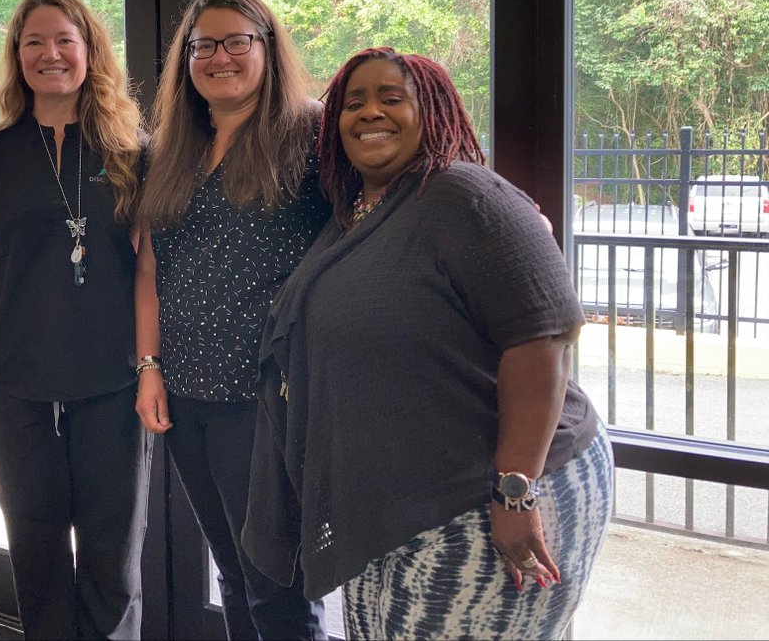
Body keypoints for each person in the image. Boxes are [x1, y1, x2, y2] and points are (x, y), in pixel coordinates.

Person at [243, 47, 614, 640]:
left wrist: (516, 490)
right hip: (394, 506)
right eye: (354, 102)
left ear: (433, 109)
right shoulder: (355, 214)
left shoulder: (465, 195)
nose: (371, 113)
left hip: (488, 495)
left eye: (393, 97)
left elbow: (541, 338)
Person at [0, 0, 152, 640]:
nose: (50, 54)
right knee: (33, 545)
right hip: (14, 376)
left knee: (111, 551)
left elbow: (147, 267)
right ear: (16, 56)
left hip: (112, 378)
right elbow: (2, 255)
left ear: (90, 51)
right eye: (33, 42)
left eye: (64, 39)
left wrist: (150, 365)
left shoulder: (134, 152)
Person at [136, 0, 328, 640]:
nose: (219, 56)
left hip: (269, 395)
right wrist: (151, 367)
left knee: (277, 584)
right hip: (188, 393)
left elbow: (381, 211)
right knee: (233, 573)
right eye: (203, 45)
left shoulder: (311, 132)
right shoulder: (170, 149)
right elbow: (152, 269)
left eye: (236, 40)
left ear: (267, 47)